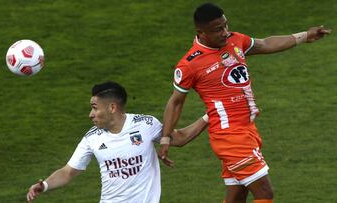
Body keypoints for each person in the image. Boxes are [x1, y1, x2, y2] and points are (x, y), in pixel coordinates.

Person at [159, 3, 331, 203]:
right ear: (201, 33)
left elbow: (265, 44)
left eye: (225, 25)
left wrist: (304, 36)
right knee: (265, 193)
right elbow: (176, 102)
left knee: (237, 196)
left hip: (247, 130)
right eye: (218, 30)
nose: (225, 32)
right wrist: (165, 139)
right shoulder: (190, 64)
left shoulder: (235, 40)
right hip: (230, 137)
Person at [27, 81, 208, 203]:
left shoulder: (145, 124)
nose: (90, 114)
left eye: (94, 108)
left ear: (112, 107)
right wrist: (45, 185)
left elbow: (180, 138)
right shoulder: (92, 138)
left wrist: (210, 116)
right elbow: (68, 172)